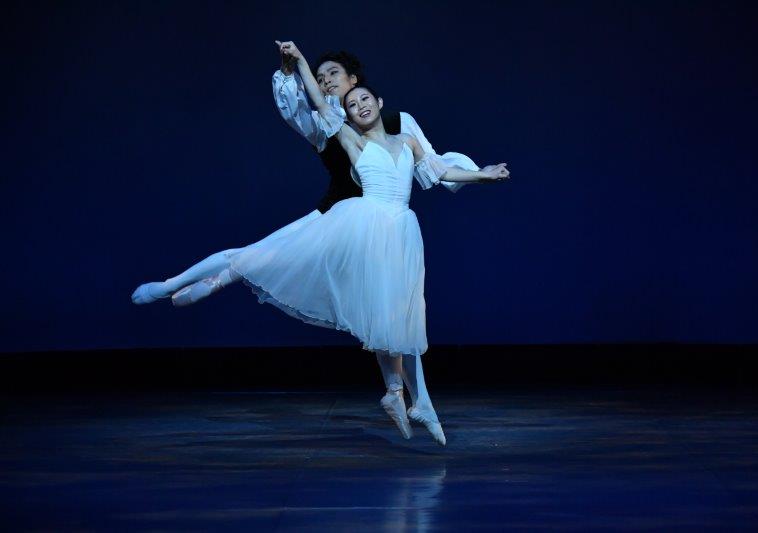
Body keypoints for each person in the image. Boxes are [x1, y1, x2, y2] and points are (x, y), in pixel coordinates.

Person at [131, 41, 509, 444]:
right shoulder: (333, 126)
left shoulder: (401, 128)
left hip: (390, 231)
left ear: (362, 86)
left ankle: (409, 399)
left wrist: (480, 174)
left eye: (334, 75)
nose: (328, 82)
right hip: (341, 221)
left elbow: (434, 166)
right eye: (323, 77)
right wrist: (296, 66)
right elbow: (308, 105)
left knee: (397, 313)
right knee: (264, 259)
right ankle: (189, 283)